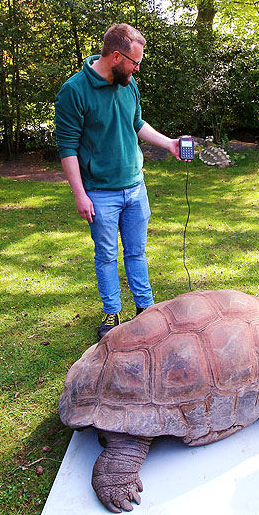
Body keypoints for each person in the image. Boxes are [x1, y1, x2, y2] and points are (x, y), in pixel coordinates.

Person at [55, 23, 187, 340]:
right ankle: (112, 313)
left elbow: (136, 123)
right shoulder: (74, 91)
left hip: (135, 187)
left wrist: (168, 143)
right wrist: (80, 195)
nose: (137, 68)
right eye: (134, 62)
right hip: (100, 193)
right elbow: (67, 148)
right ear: (116, 56)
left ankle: (146, 309)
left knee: (137, 253)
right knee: (106, 255)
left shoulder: (128, 84)